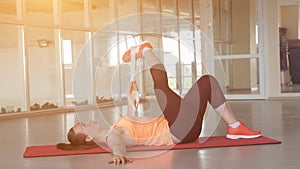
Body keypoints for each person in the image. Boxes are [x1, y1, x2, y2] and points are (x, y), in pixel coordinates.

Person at [57, 42, 261, 165]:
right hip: (178, 130)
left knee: (206, 82)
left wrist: (131, 101)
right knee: (161, 89)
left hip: (184, 127)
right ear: (88, 138)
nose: (88, 120)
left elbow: (133, 128)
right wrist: (119, 155)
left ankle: (235, 127)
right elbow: (117, 144)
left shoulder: (115, 128)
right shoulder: (112, 137)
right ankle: (145, 50)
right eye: (83, 125)